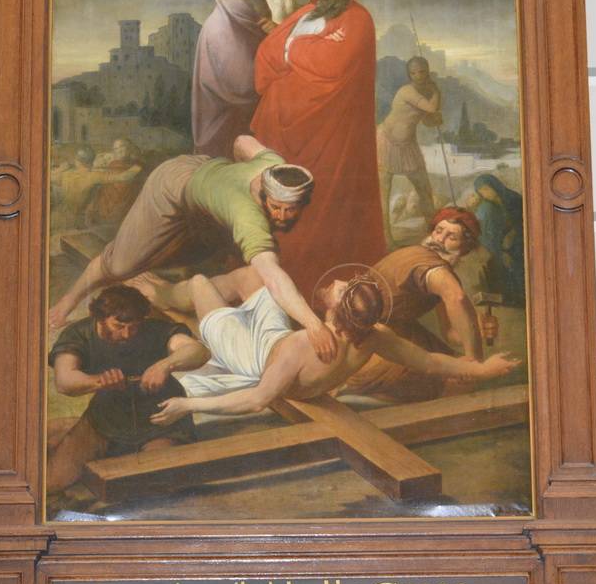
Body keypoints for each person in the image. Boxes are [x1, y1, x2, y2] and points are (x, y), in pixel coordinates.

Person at [47, 134, 336, 363]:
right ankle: (68, 300)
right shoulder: (246, 215)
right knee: (121, 265)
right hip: (172, 186)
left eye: (291, 210)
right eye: (275, 208)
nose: (282, 217)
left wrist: (226, 177)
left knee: (219, 260)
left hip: (204, 189)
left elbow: (242, 142)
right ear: (263, 193)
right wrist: (313, 324)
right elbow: (272, 275)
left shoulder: (275, 165)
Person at [147, 265, 516, 424]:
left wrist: (187, 404)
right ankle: (197, 295)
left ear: (336, 310)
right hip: (275, 341)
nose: (338, 282)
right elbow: (431, 362)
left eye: (343, 288)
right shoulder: (374, 337)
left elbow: (257, 399)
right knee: (254, 275)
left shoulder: (300, 346)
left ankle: (155, 292)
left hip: (251, 355)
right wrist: (482, 369)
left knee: (199, 283)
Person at [251, 0, 385, 298]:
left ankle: (324, 282)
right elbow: (266, 54)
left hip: (332, 129)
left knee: (325, 201)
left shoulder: (359, 19)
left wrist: (294, 49)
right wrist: (307, 46)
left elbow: (333, 63)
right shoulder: (304, 14)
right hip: (283, 128)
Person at [46, 284, 204, 493]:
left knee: (154, 481)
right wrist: (99, 381)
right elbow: (64, 381)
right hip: (106, 418)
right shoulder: (79, 333)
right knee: (55, 480)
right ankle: (74, 429)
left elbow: (198, 351)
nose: (128, 333)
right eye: (119, 326)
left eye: (134, 326)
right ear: (100, 318)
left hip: (161, 419)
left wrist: (165, 365)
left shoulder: (156, 329)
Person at [344, 206, 488, 401]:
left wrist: (476, 328)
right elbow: (457, 298)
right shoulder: (424, 262)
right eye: (439, 230)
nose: (439, 239)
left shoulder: (441, 272)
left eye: (451, 237)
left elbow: (450, 332)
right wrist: (475, 360)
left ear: (464, 248)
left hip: (394, 334)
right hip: (369, 344)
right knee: (453, 377)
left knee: (454, 368)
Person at [191, 0, 272, 158]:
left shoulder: (250, 18)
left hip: (247, 116)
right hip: (226, 121)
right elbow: (243, 86)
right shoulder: (219, 27)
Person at [377, 56, 442, 242]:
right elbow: (431, 108)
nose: (418, 76)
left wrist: (436, 120)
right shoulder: (407, 91)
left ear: (428, 72)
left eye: (422, 72)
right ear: (409, 75)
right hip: (386, 142)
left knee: (424, 189)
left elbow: (428, 120)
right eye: (413, 73)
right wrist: (436, 92)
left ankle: (433, 234)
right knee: (384, 193)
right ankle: (387, 239)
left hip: (408, 146)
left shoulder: (427, 93)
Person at [469, 173, 525, 305]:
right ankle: (510, 295)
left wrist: (511, 235)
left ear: (495, 185)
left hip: (520, 239)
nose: (485, 193)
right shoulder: (489, 205)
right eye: (481, 191)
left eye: (486, 189)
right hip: (504, 241)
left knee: (515, 261)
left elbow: (523, 222)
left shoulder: (513, 199)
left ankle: (521, 295)